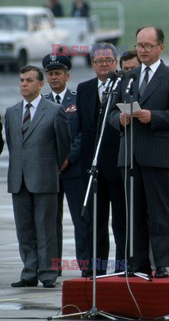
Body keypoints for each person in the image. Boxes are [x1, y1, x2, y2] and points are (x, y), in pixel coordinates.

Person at [108, 27, 169, 278]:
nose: (142, 50)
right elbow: (109, 113)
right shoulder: (127, 77)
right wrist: (118, 119)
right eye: (139, 45)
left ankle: (161, 262)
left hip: (158, 154)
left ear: (161, 47)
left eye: (148, 46)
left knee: (159, 213)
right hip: (129, 154)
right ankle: (138, 262)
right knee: (134, 212)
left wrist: (152, 116)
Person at [6, 65, 70, 288]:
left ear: (40, 84)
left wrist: (51, 166)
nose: (24, 84)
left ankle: (48, 272)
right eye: (21, 80)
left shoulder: (54, 110)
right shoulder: (12, 112)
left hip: (44, 177)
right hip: (18, 179)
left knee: (46, 229)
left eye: (29, 80)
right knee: (24, 229)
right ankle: (29, 271)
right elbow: (14, 146)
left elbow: (63, 145)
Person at [76, 42, 127, 277]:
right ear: (92, 64)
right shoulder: (84, 89)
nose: (104, 64)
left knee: (120, 222)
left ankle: (122, 269)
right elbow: (81, 129)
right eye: (99, 61)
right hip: (92, 168)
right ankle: (95, 270)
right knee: (94, 223)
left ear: (115, 63)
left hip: (118, 165)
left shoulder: (126, 85)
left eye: (108, 60)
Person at [42, 54, 88, 276]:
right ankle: (53, 267)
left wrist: (69, 158)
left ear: (67, 76)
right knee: (51, 222)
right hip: (49, 171)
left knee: (81, 220)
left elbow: (82, 133)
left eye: (58, 73)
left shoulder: (77, 100)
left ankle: (86, 265)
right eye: (50, 74)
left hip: (74, 169)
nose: (54, 78)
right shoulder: (41, 103)